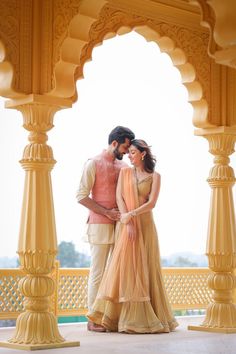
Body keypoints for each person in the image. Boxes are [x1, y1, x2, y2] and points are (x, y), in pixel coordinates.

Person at [87, 139, 178, 333]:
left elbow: (152, 203)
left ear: (143, 153)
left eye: (133, 152)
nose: (129, 155)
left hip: (145, 225)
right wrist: (127, 221)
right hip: (126, 225)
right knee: (124, 268)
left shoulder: (155, 176)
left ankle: (147, 316)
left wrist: (133, 215)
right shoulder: (125, 172)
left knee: (146, 267)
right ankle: (116, 318)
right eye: (129, 152)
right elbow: (119, 196)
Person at [76, 126, 135, 332]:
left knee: (116, 274)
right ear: (114, 143)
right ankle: (93, 319)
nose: (127, 152)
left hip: (120, 226)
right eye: (125, 147)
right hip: (99, 226)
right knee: (99, 273)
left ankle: (110, 318)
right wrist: (106, 212)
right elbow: (81, 196)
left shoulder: (124, 166)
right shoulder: (93, 163)